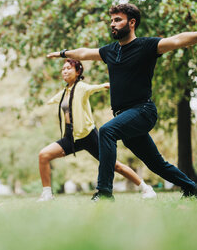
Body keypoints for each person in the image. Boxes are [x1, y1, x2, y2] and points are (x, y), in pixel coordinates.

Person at [47, 3, 197, 201]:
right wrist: (63, 53)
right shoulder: (110, 51)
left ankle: (104, 192)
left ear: (132, 22)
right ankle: (192, 189)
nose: (113, 24)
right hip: (124, 116)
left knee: (106, 131)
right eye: (111, 20)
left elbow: (179, 40)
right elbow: (84, 53)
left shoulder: (146, 46)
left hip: (143, 110)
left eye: (117, 20)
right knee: (155, 163)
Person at [38, 59, 156, 201]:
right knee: (44, 155)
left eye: (69, 68)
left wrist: (118, 85)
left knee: (115, 165)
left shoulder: (81, 87)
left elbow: (97, 87)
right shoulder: (64, 92)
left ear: (78, 72)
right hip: (71, 138)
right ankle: (47, 194)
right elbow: (51, 101)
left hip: (88, 135)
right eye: (63, 69)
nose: (65, 71)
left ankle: (146, 188)